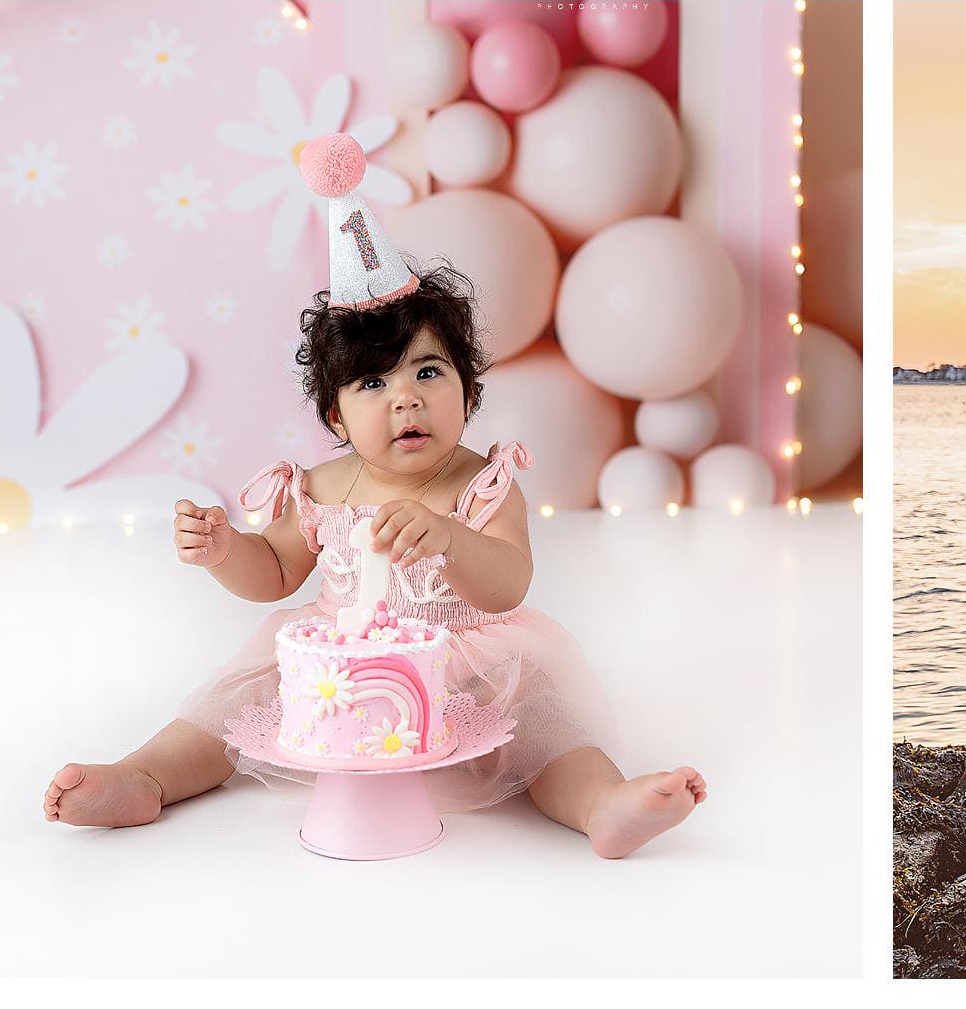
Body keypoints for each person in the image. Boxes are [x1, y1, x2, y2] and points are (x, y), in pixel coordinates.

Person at [42, 136, 705, 856]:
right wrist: (228, 550)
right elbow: (275, 574)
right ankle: (145, 778)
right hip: (343, 671)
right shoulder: (324, 487)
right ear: (335, 417)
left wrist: (451, 539)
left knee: (544, 725)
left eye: (427, 373)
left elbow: (510, 583)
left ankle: (602, 804)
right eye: (372, 384)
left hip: (470, 663)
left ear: (467, 390)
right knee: (233, 703)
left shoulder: (482, 483)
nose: (405, 401)